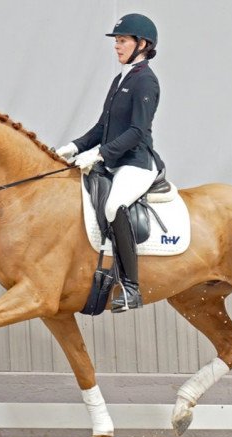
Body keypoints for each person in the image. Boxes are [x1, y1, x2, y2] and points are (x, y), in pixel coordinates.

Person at [56, 13, 165, 313]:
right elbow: (103, 126)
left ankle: (131, 287)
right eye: (116, 41)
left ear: (142, 44)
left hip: (136, 163)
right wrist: (73, 147)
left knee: (113, 205)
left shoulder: (146, 81)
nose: (117, 47)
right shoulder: (121, 79)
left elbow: (136, 132)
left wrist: (101, 154)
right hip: (114, 160)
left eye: (122, 41)